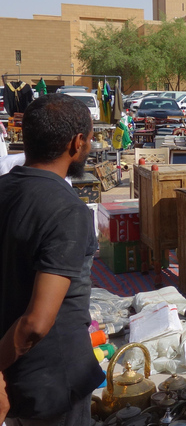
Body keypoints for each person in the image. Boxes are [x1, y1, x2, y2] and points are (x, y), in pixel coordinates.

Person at [0, 94, 104, 424]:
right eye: (89, 138)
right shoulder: (66, 210)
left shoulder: (4, 189)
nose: (89, 146)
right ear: (76, 143)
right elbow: (35, 324)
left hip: (16, 378)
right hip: (52, 384)